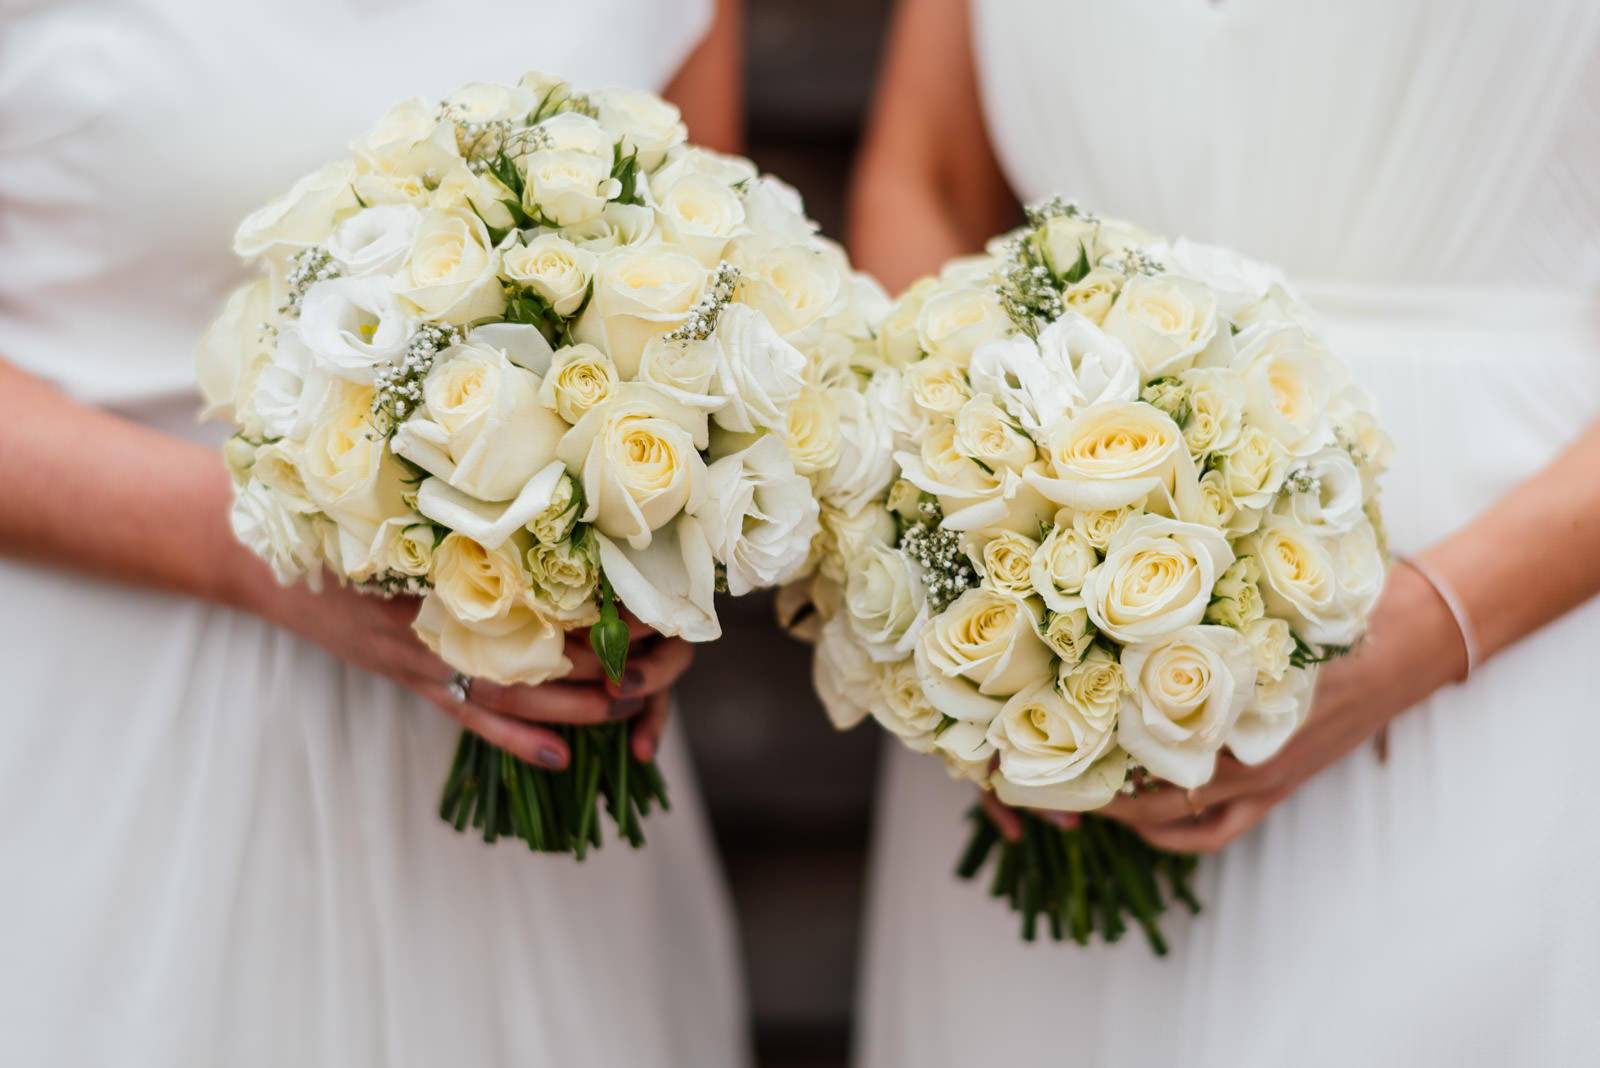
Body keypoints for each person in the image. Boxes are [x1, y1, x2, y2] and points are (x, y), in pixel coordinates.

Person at [846, 1, 1600, 1064]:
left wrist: (1429, 629)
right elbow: (925, 175)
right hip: (1034, 632)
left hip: (1494, 642)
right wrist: (957, 566)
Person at [0, 1, 752, 1064]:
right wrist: (251, 549)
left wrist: (642, 555)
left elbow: (710, 301)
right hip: (113, 741)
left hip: (539, 800)